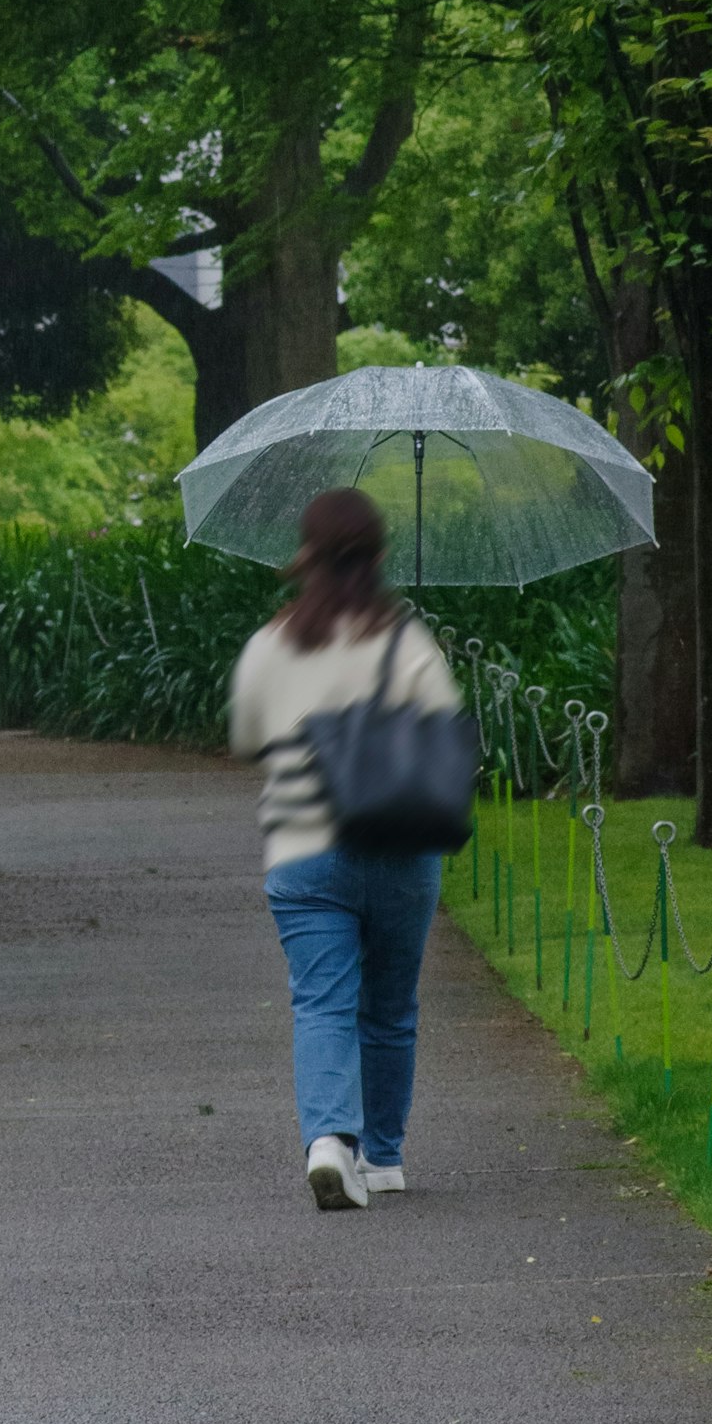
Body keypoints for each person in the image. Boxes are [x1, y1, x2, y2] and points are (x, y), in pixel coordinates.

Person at [228, 486, 463, 1212]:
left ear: (307, 554)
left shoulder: (272, 642)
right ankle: (385, 1158)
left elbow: (245, 738)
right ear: (379, 554)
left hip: (303, 851)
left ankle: (331, 1140)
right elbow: (447, 736)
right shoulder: (405, 640)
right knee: (390, 1005)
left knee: (323, 1002)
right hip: (400, 848)